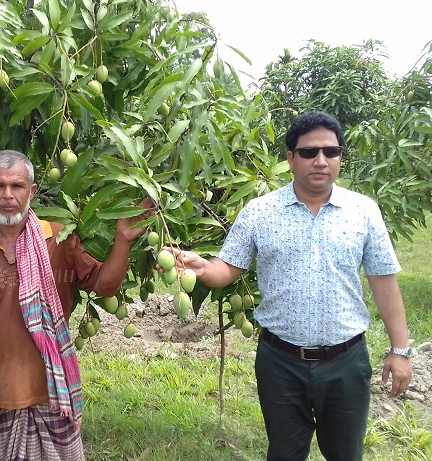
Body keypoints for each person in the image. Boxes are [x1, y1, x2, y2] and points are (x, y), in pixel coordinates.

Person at [162, 111, 413, 461]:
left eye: (332, 152)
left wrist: (399, 350)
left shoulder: (363, 212)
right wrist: (203, 267)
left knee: (346, 455)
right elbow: (227, 268)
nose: (321, 161)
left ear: (341, 156)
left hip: (346, 361)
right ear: (291, 158)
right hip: (281, 362)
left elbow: (384, 282)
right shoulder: (260, 211)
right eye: (309, 152)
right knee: (284, 453)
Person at [0, 149, 153, 460]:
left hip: (52, 392)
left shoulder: (60, 239)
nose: (8, 195)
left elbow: (104, 284)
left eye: (18, 186)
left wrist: (122, 241)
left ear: (33, 191)